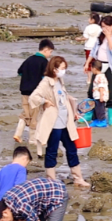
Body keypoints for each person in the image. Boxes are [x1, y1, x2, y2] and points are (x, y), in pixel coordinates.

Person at [29, 55, 89, 188]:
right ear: (54, 69)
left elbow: (65, 99)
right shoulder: (46, 82)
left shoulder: (60, 81)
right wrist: (45, 101)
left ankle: (78, 178)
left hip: (66, 123)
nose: (64, 71)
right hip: (54, 124)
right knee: (52, 151)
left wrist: (74, 113)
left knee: (72, 149)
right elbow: (33, 97)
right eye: (62, 68)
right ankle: (51, 180)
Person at [14, 39, 54, 144]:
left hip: (24, 91)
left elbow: (20, 72)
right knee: (35, 116)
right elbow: (45, 79)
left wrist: (28, 77)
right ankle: (32, 140)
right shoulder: (44, 62)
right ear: (46, 50)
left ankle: (18, 134)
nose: (50, 54)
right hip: (35, 94)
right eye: (50, 52)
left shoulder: (29, 59)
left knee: (26, 113)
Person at [82, 13, 101, 82]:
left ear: (92, 20)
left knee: (88, 63)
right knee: (96, 62)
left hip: (89, 47)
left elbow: (86, 37)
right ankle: (96, 76)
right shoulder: (99, 28)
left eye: (89, 18)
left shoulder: (88, 28)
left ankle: (89, 78)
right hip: (96, 47)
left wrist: (79, 39)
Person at [90, 63, 109, 127]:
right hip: (97, 97)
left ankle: (102, 121)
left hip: (100, 97)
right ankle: (96, 120)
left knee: (100, 110)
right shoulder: (98, 76)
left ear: (95, 69)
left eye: (92, 68)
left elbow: (101, 88)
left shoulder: (100, 77)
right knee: (96, 109)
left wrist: (101, 96)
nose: (91, 70)